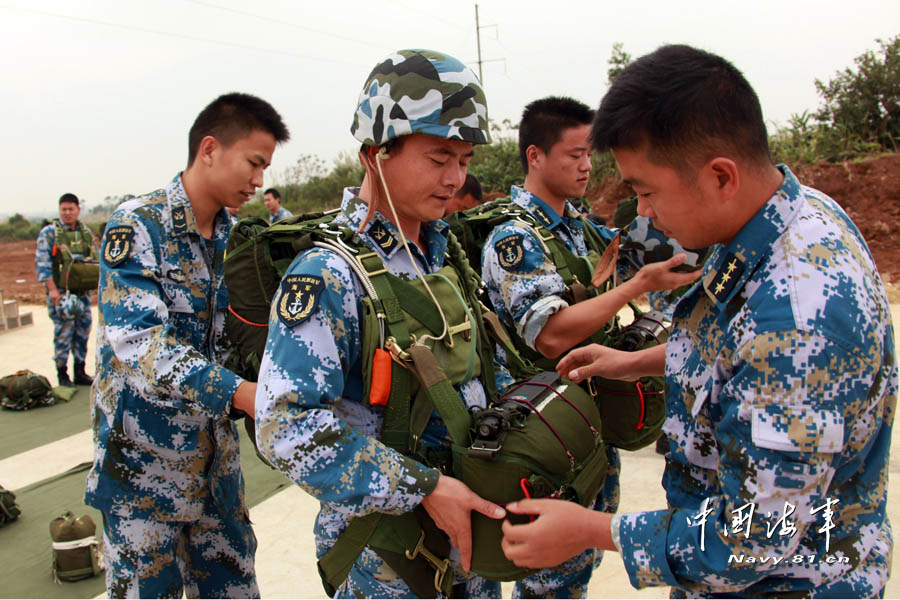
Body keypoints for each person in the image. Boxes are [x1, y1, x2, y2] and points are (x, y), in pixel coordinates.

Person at [501, 44, 896, 598]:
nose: (643, 212)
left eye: (646, 190)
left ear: (720, 177)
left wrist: (593, 530)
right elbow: (736, 349)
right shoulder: (801, 213)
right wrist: (635, 361)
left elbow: (759, 534)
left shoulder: (797, 317)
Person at [255, 49, 507, 599]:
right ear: (376, 154)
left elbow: (482, 371)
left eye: (463, 160)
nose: (455, 177)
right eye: (438, 158)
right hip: (391, 562)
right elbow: (283, 428)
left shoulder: (442, 252)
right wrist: (423, 487)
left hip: (473, 547)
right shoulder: (329, 274)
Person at [480, 96, 699, 597]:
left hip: (587, 426)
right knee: (547, 582)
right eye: (574, 154)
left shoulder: (577, 227)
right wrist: (634, 287)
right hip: (547, 440)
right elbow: (550, 332)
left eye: (589, 155)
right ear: (535, 156)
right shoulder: (515, 239)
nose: (586, 165)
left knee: (573, 574)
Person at [84, 92, 289, 598]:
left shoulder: (236, 240)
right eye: (254, 162)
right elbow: (142, 345)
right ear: (211, 149)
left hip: (215, 470)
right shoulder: (138, 226)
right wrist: (241, 393)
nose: (259, 180)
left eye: (265, 168)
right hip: (144, 471)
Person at [34, 193, 98, 386]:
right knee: (63, 335)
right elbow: (42, 264)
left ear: (79, 209)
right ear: (59, 210)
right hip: (61, 294)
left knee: (82, 333)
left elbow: (95, 260)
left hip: (83, 295)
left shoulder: (85, 232)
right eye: (64, 209)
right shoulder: (50, 233)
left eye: (71, 209)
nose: (67, 213)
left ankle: (80, 371)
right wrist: (53, 291)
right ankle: (62, 373)